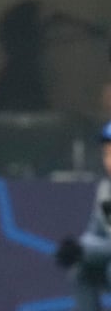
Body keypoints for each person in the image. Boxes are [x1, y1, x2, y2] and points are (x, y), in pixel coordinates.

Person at [55, 121, 111, 310]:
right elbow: (96, 234)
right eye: (106, 153)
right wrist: (77, 248)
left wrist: (84, 250)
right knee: (81, 271)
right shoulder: (107, 190)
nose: (109, 161)